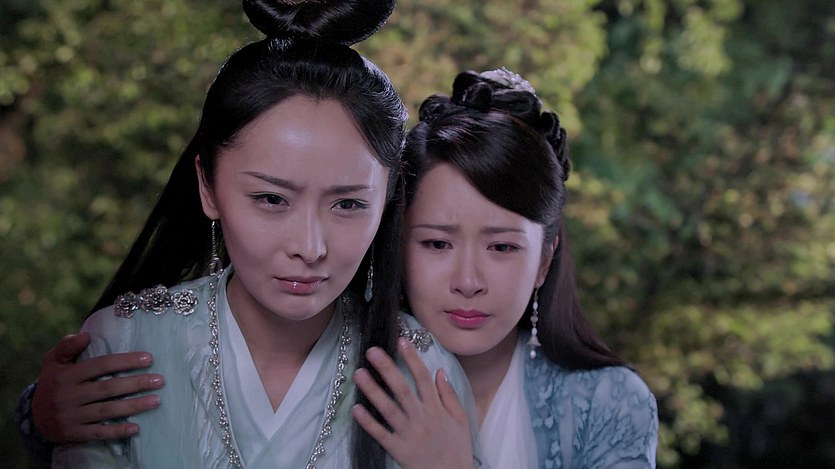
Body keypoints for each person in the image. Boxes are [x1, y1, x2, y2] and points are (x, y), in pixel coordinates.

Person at [19, 1, 477, 467]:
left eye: (348, 204)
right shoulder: (123, 343)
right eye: (272, 199)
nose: (309, 248)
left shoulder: (424, 371)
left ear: (388, 197)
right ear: (208, 186)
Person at [350, 69, 659, 468]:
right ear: (398, 246)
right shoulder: (344, 375)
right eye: (438, 244)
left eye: (501, 247)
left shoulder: (610, 404)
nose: (467, 282)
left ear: (544, 261)